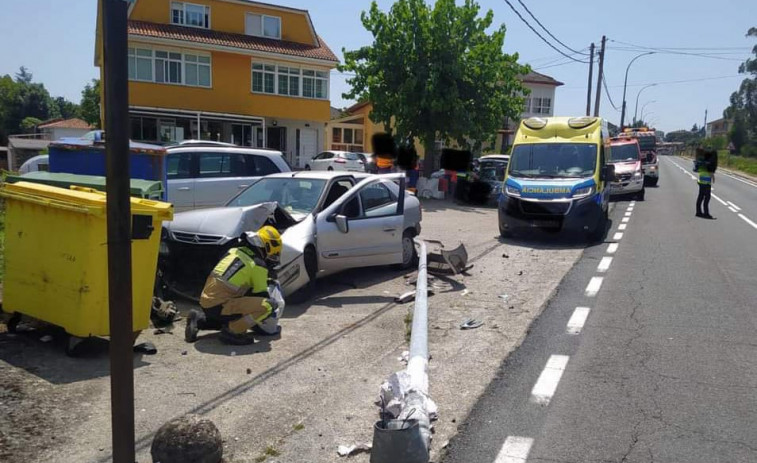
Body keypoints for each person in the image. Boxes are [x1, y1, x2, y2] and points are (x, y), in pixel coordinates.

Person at [185, 226, 284, 345]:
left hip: (206, 302)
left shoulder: (234, 251)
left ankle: (199, 320)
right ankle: (233, 332)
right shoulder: (258, 264)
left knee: (232, 313)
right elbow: (262, 295)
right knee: (268, 306)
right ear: (268, 246)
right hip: (221, 305)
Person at [695, 147, 717, 219]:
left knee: (700, 197)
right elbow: (710, 172)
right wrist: (713, 177)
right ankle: (706, 213)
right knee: (707, 198)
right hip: (707, 183)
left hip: (701, 182)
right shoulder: (708, 162)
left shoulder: (701, 162)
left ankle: (698, 212)